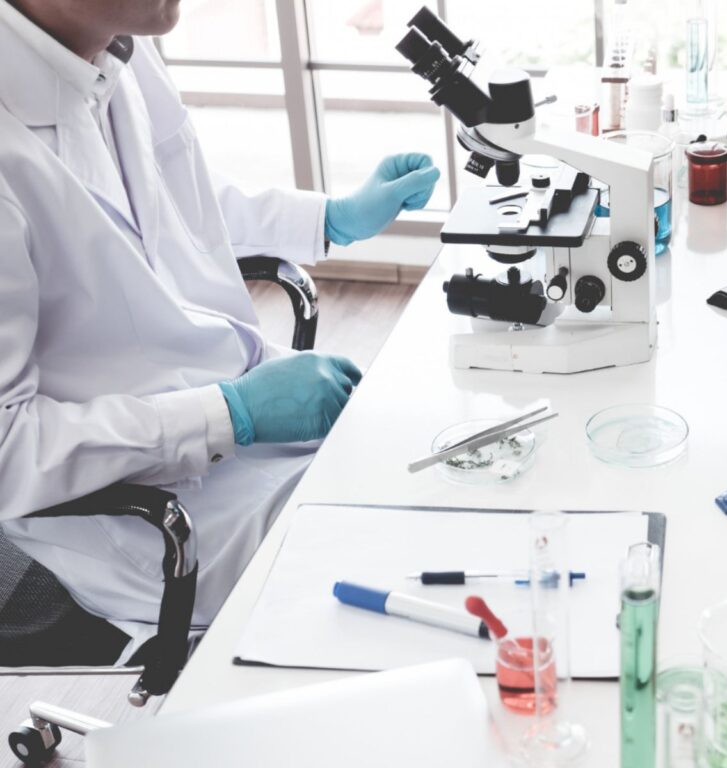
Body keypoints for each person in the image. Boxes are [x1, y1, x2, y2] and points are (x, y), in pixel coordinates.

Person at [0, 0, 440, 658]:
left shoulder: (123, 48)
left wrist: (330, 217)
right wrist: (228, 413)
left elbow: (181, 192)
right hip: (153, 520)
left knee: (443, 467)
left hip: (241, 419)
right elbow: (8, 451)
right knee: (411, 563)